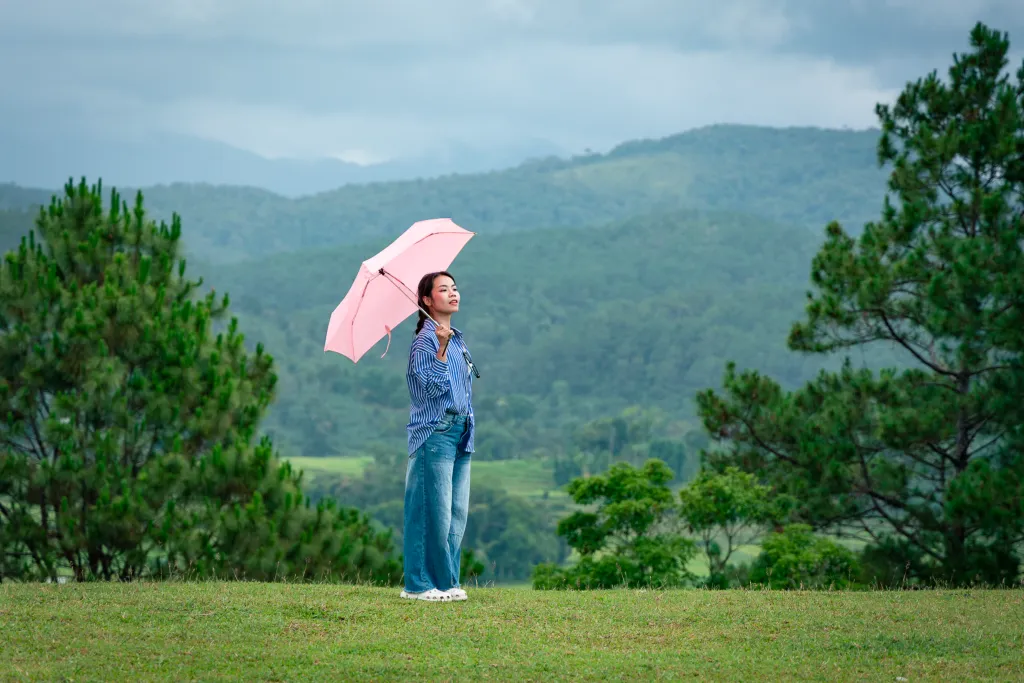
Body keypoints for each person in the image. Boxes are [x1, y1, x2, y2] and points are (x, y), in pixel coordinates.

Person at [400, 270, 478, 602]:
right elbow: (429, 388)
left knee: (455, 513)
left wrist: (449, 344)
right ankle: (417, 585)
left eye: (455, 287)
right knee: (431, 511)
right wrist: (442, 348)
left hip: (461, 431)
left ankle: (446, 581)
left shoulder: (455, 337)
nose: (453, 293)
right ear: (428, 301)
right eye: (443, 289)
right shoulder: (426, 341)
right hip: (436, 432)